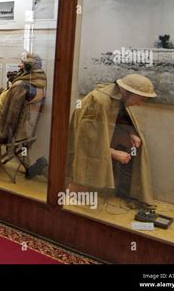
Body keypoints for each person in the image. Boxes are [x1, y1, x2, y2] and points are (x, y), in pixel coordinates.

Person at [67, 74, 157, 207]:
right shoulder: (100, 101)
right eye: (140, 98)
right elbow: (87, 143)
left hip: (96, 143)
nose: (139, 103)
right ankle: (44, 169)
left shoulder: (117, 97)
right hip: (86, 150)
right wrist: (113, 153)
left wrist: (131, 132)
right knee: (77, 187)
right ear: (127, 92)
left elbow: (118, 115)